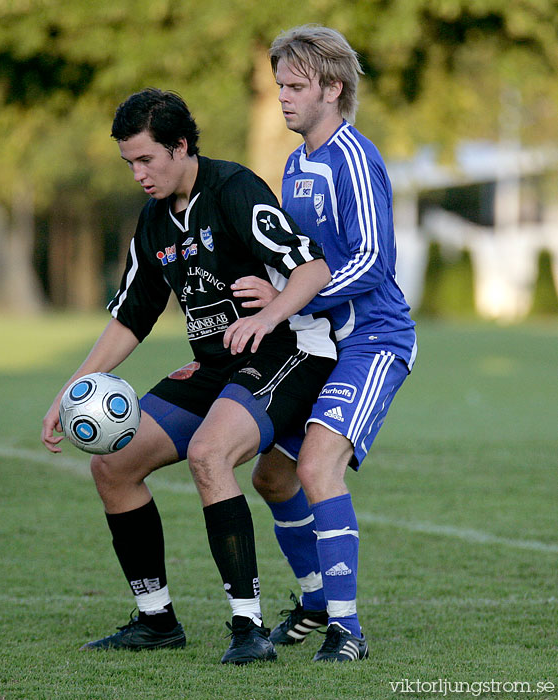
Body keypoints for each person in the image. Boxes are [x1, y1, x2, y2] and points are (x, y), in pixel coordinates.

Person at [41, 88, 338, 665]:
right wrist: (68, 390)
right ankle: (156, 620)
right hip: (217, 366)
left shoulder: (233, 190)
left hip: (288, 351)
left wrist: (270, 315)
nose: (138, 174)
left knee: (209, 453)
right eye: (129, 163)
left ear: (181, 147)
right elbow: (131, 317)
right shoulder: (154, 223)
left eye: (147, 159)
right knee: (113, 464)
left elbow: (313, 267)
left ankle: (247, 629)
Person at [231, 25, 417, 662]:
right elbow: (302, 261)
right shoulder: (293, 162)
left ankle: (348, 630)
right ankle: (314, 600)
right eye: (279, 84)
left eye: (296, 86)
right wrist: (271, 286)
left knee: (314, 468)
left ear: (334, 89)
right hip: (319, 342)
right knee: (274, 476)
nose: (283, 97)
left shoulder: (355, 159)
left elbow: (372, 262)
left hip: (373, 340)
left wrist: (288, 300)